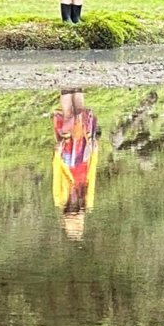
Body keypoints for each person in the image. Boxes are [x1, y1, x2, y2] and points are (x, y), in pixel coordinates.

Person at [52, 88, 99, 241]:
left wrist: (57, 155)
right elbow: (92, 177)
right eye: (76, 211)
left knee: (68, 120)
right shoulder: (87, 200)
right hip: (83, 160)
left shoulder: (59, 199)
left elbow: (56, 175)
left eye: (71, 211)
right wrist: (95, 153)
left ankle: (66, 89)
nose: (74, 208)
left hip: (67, 160)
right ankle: (77, 89)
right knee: (81, 119)